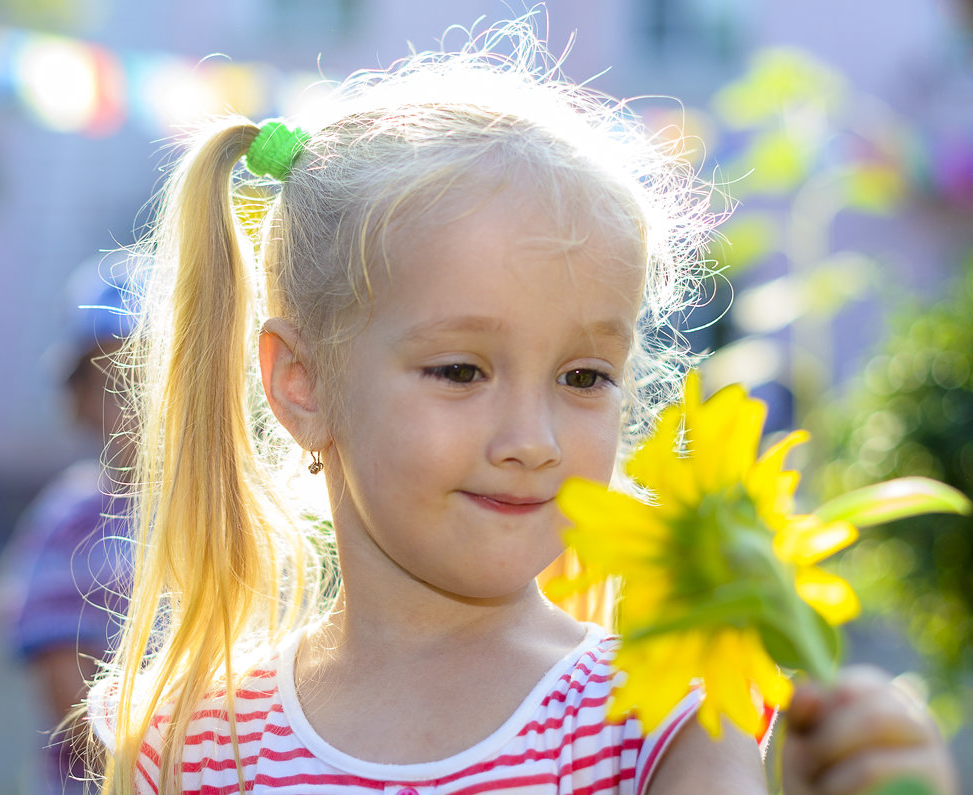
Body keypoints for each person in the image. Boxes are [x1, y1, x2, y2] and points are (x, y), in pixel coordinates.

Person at [85, 20, 958, 795]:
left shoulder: (656, 723)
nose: (533, 441)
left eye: (583, 377)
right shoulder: (196, 742)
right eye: (462, 370)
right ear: (301, 383)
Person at [0, 253, 136, 794]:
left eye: (158, 376)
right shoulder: (70, 526)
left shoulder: (233, 517)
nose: (140, 403)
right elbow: (75, 710)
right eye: (116, 382)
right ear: (77, 399)